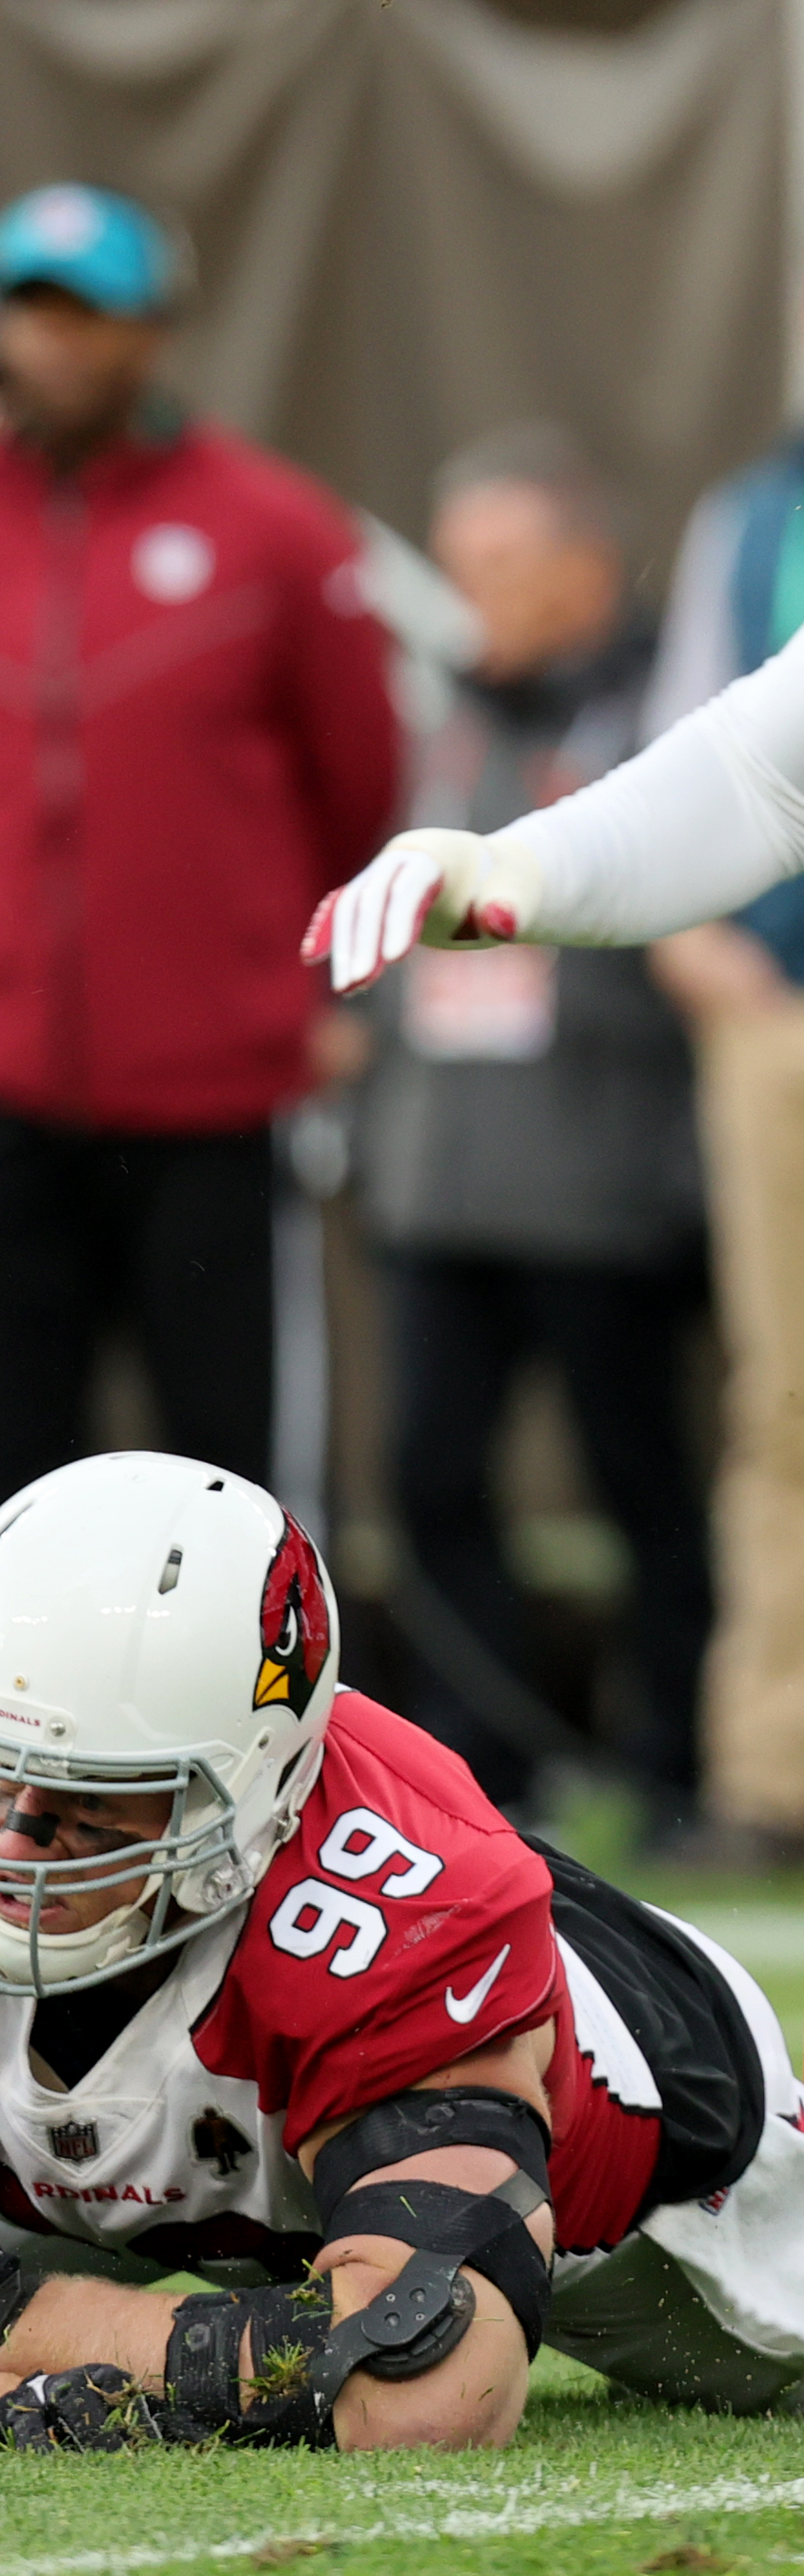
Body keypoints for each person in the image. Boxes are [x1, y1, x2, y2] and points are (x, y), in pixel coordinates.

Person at [0, 1449, 804, 2447]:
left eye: (97, 1801)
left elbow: (426, 2391)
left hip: (653, 2174)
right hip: (46, 2165)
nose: (12, 1842)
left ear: (259, 1794)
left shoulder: (402, 1918)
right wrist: (42, 2429)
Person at [0, 183, 400, 1549]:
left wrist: (302, 986)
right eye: (35, 313)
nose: (59, 347)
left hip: (211, 1094)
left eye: (92, 315)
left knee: (227, 1486)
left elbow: (361, 789)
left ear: (152, 330)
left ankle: (268, 1761)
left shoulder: (274, 530)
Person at [318, 429, 804, 1860]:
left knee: (641, 1460)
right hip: (462, 1169)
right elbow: (753, 776)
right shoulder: (457, 714)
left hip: (602, 1173)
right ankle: (507, 1783)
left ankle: (661, 1755)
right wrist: (510, 864)